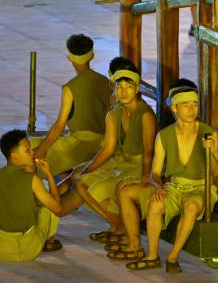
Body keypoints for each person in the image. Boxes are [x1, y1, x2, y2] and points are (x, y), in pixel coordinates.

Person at [115, 79, 218, 273]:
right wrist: (158, 187)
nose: (191, 110)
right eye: (186, 105)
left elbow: (216, 172)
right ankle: (152, 256)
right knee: (155, 204)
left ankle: (172, 257)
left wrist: (211, 151)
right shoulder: (164, 136)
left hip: (201, 187)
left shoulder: (209, 133)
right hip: (174, 186)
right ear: (174, 108)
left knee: (191, 206)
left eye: (194, 105)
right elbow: (155, 173)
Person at [64, 62, 156, 245]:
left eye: (128, 87)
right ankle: (116, 225)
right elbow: (107, 149)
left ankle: (122, 227)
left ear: (137, 88)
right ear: (113, 88)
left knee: (98, 189)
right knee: (81, 182)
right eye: (119, 87)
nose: (123, 92)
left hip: (139, 166)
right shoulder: (114, 112)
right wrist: (87, 170)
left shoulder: (146, 115)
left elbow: (148, 152)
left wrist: (146, 177)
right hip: (120, 163)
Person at [30, 34, 111, 176]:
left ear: (69, 58)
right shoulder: (105, 81)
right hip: (105, 141)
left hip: (80, 144)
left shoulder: (70, 88)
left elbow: (59, 126)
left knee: (31, 154)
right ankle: (63, 180)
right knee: (34, 144)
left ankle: (56, 186)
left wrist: (41, 151)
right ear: (92, 56)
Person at [0, 130, 62, 261]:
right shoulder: (33, 180)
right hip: (30, 250)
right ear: (14, 155)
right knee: (46, 206)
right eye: (27, 150)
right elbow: (58, 209)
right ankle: (49, 242)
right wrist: (49, 175)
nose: (32, 153)